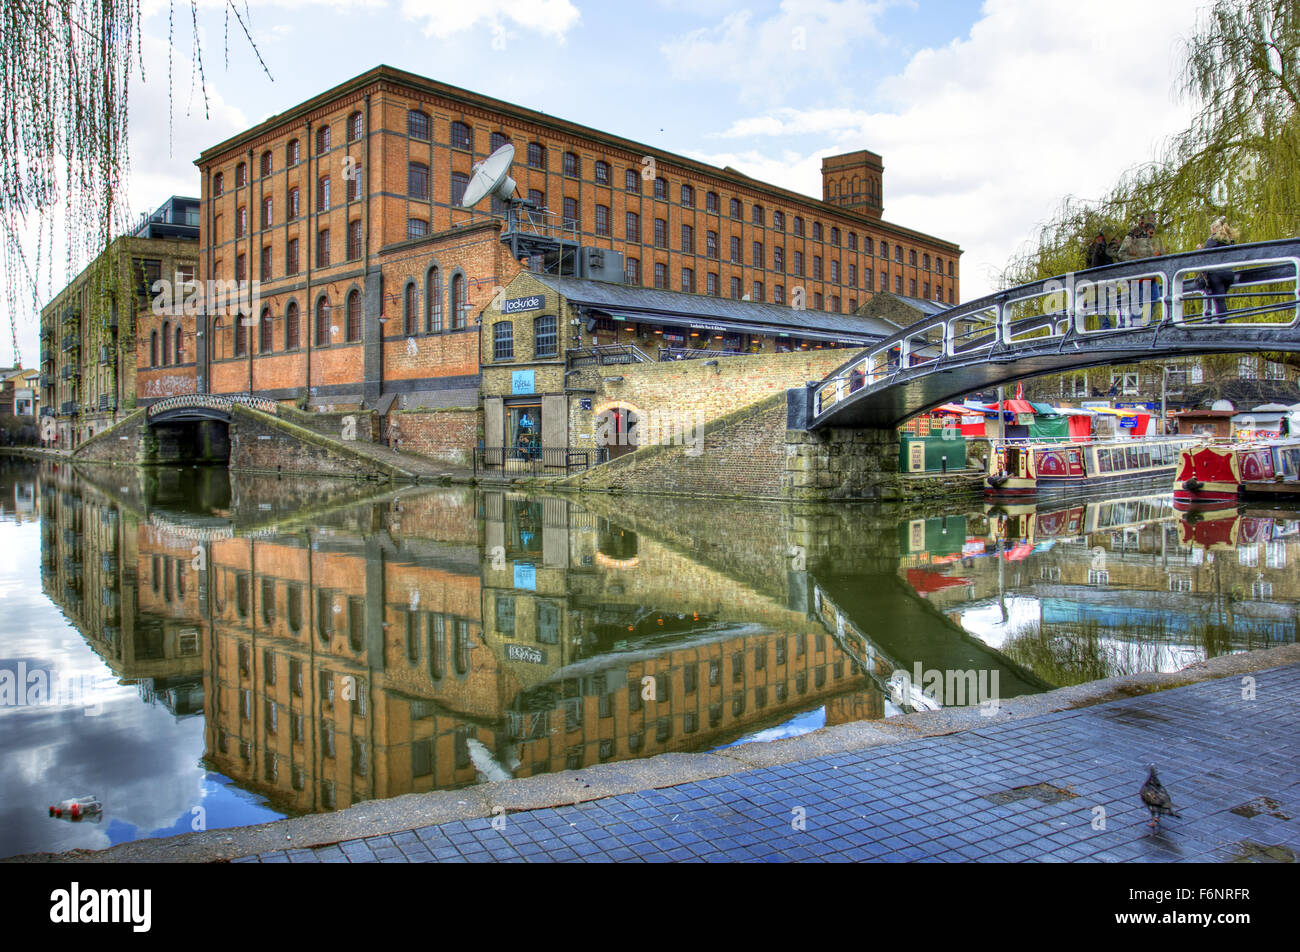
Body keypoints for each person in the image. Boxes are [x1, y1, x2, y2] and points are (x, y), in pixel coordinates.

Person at [1199, 216, 1239, 322]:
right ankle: (1223, 321)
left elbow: (1204, 256)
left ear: (1213, 229)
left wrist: (1199, 249)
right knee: (1222, 300)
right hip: (1228, 274)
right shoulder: (1229, 240)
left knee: (1219, 301)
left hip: (1216, 275)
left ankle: (1222, 325)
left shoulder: (1212, 240)